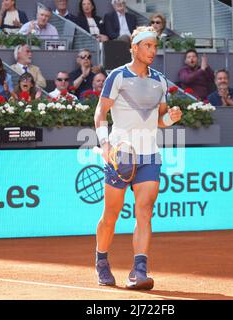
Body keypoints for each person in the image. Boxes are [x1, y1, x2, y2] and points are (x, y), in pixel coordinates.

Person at [94, 26, 182, 290]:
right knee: (111, 214)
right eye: (148, 46)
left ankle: (139, 270)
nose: (153, 51)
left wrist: (171, 118)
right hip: (120, 155)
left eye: (155, 46)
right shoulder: (117, 76)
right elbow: (100, 113)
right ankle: (101, 261)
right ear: (135, 48)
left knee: (145, 212)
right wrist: (106, 144)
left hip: (149, 156)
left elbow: (161, 120)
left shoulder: (160, 81)